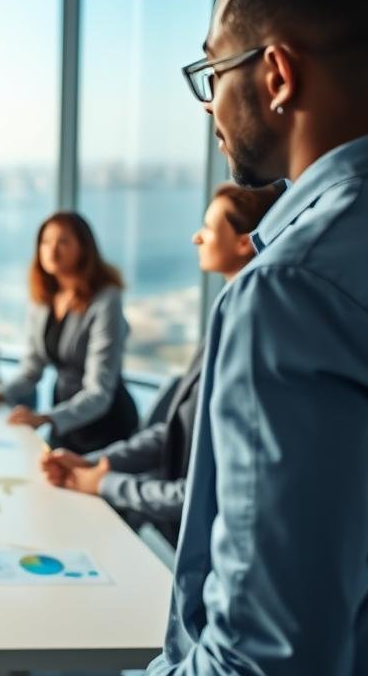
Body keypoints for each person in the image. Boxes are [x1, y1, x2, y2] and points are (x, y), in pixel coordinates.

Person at [150, 0, 368, 673]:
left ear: (275, 75)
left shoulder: (294, 293)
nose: (209, 106)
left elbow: (266, 657)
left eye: (214, 71)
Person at [39, 183, 282, 545]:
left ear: (245, 241)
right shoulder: (227, 317)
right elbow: (178, 431)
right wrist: (97, 462)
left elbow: (202, 491)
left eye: (209, 228)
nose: (195, 237)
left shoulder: (250, 337)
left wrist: (105, 481)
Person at [0, 212, 136, 454]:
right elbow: (31, 369)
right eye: (46, 242)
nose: (52, 250)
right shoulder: (43, 299)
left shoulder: (106, 300)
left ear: (84, 248)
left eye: (63, 242)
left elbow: (99, 392)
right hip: (63, 420)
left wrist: (44, 418)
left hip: (104, 423)